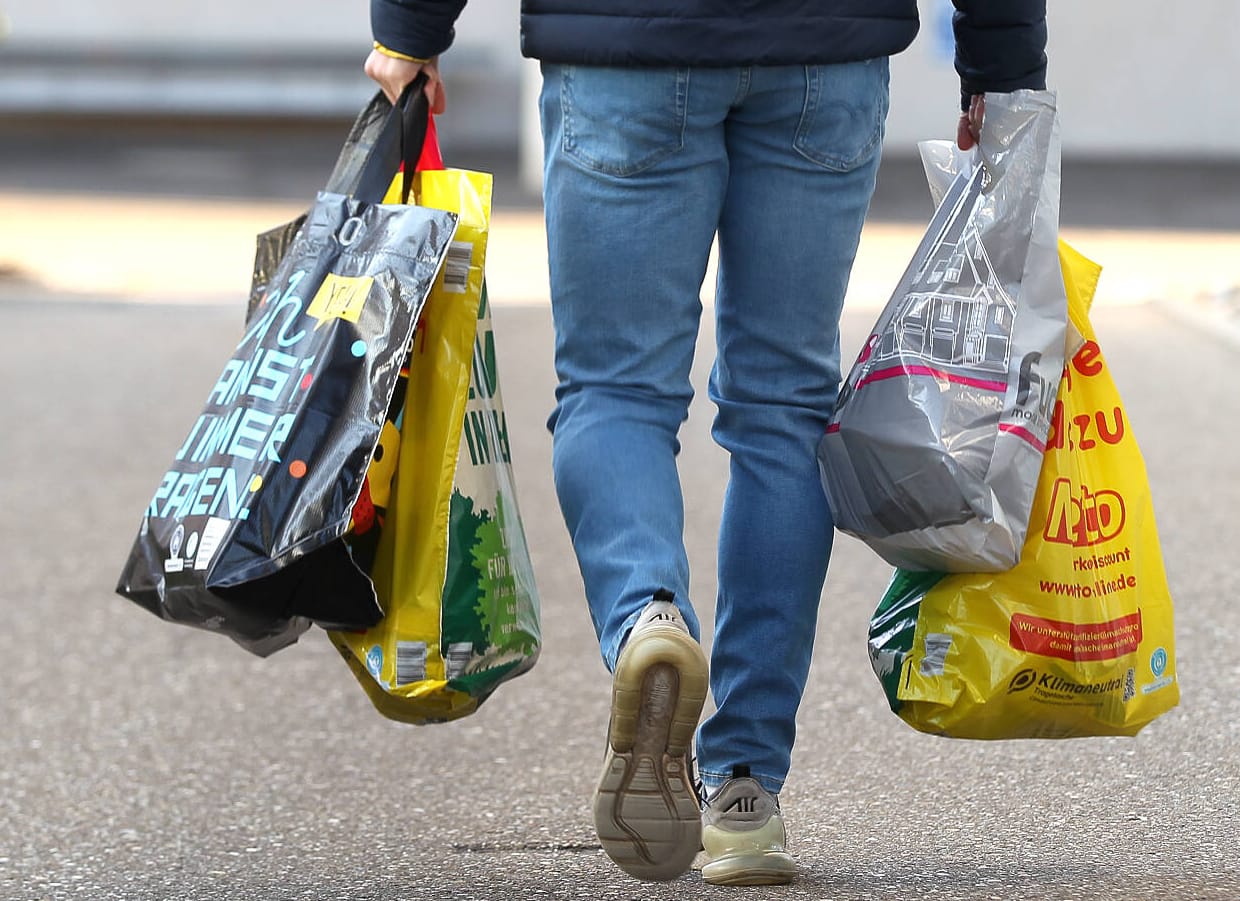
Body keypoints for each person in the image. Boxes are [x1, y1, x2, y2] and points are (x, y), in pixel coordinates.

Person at [365, 0, 1047, 886]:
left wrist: (408, 29)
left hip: (625, 48)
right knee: (785, 411)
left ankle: (648, 617)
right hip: (822, 58)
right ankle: (745, 790)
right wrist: (1002, 69)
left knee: (615, 393)